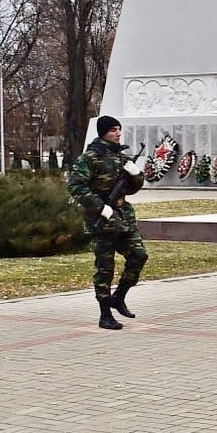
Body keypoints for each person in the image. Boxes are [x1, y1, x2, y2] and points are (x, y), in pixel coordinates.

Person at [67, 116, 148, 330]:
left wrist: (137, 175)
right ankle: (105, 314)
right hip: (101, 220)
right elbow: (76, 186)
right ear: (103, 132)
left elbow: (131, 188)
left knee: (139, 255)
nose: (118, 133)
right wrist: (100, 207)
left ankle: (119, 297)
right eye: (113, 130)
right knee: (105, 268)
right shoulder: (90, 157)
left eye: (119, 129)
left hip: (123, 218)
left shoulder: (122, 156)